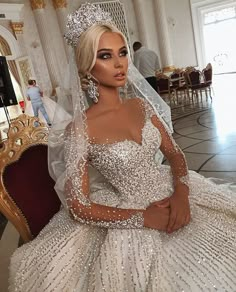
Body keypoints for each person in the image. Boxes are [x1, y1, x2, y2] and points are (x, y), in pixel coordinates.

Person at [9, 3, 236, 292]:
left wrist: (181, 192)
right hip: (128, 209)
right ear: (87, 64)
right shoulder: (80, 128)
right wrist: (144, 218)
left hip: (170, 190)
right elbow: (78, 206)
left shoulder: (141, 105)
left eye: (123, 52)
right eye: (105, 56)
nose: (120, 64)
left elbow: (175, 154)